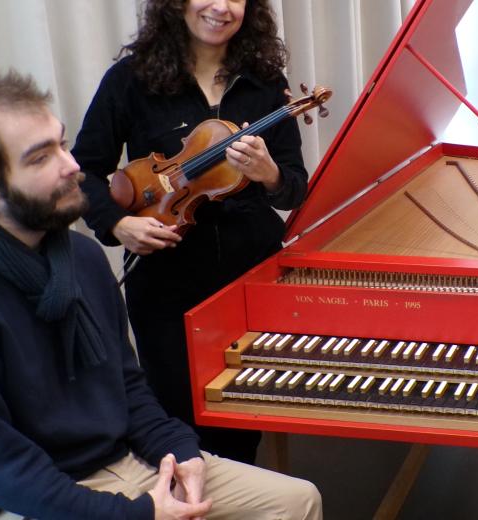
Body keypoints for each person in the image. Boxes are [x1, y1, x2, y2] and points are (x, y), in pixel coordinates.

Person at [0, 70, 321, 519]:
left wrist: (181, 451)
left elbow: (127, 386)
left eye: (61, 143)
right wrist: (136, 514)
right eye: (41, 158)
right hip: (21, 497)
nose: (72, 165)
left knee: (296, 501)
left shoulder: (81, 256)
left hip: (120, 460)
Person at [72, 0, 308, 464]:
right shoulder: (131, 81)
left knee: (244, 419)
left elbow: (293, 189)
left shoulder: (266, 82)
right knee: (177, 423)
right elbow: (83, 171)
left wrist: (268, 173)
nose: (221, 7)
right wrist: (118, 225)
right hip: (166, 282)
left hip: (250, 276)